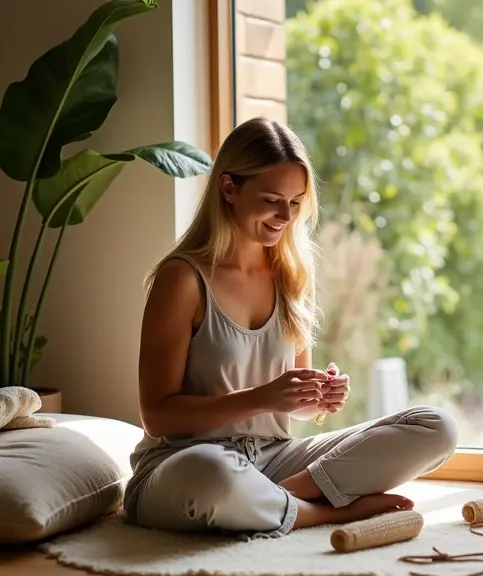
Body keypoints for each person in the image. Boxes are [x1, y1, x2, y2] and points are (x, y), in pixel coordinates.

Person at [122, 117, 459, 538]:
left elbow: (293, 408)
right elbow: (157, 416)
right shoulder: (183, 278)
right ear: (228, 189)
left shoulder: (291, 273)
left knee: (436, 427)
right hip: (186, 463)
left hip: (273, 457)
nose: (286, 215)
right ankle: (326, 512)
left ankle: (278, 498)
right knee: (210, 473)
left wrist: (318, 396)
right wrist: (263, 396)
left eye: (296, 202)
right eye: (272, 200)